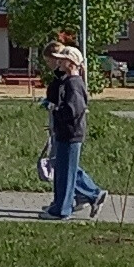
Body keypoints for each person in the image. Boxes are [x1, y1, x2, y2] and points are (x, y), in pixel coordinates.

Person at [42, 36, 106, 217]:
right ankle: (68, 203)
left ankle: (64, 208)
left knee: (66, 171)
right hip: (65, 131)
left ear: (71, 63)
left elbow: (74, 110)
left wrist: (55, 110)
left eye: (62, 60)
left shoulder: (73, 83)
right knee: (63, 170)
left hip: (71, 132)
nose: (58, 63)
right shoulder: (68, 81)